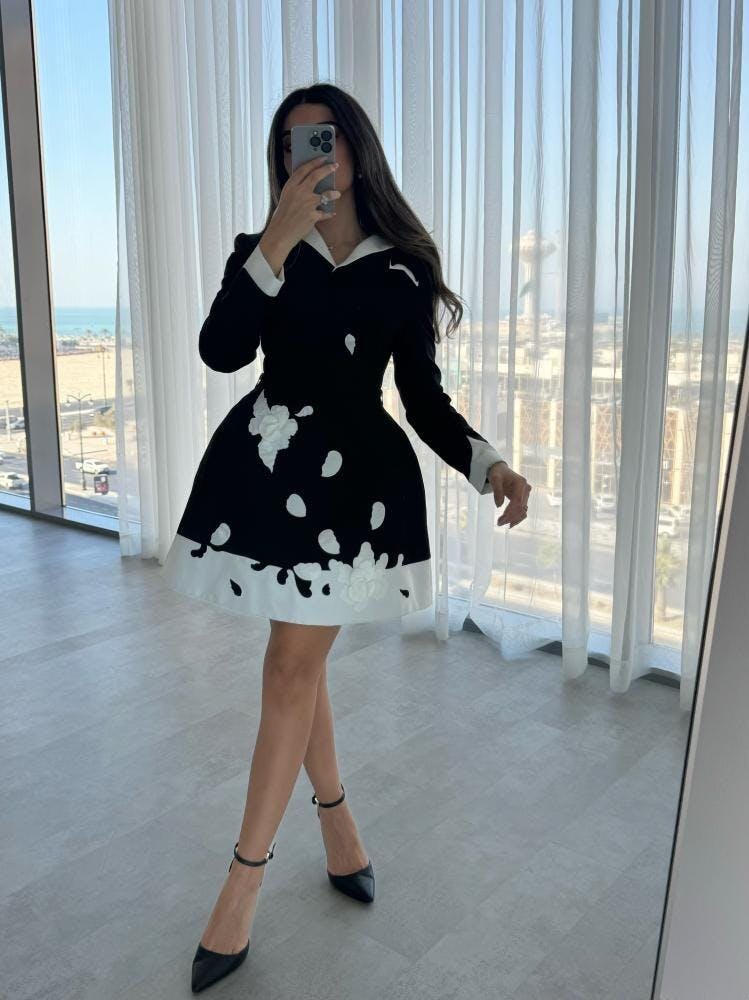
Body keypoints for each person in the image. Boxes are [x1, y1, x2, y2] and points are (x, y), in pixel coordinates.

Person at [160, 83, 531, 994]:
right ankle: (336, 828)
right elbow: (219, 351)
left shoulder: (404, 266)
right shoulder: (260, 249)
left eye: (322, 138)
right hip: (266, 470)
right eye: (292, 144)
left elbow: (422, 397)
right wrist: (275, 243)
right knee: (299, 663)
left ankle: (244, 881)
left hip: (353, 490)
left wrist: (489, 466)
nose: (309, 155)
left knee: (293, 664)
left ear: (355, 149)